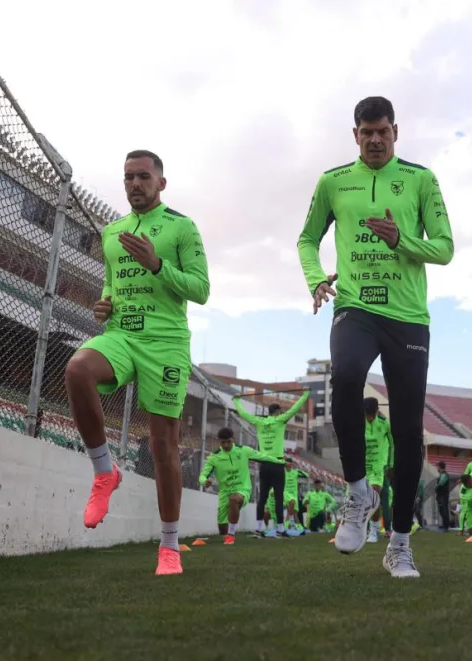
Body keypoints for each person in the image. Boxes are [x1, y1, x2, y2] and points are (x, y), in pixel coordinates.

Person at [296, 96, 454, 578]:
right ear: (355, 135)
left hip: (407, 317)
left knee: (407, 434)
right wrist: (315, 278)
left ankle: (400, 544)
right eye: (367, 132)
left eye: (383, 131)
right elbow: (307, 238)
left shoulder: (421, 180)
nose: (375, 139)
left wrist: (399, 240)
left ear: (396, 131)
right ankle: (358, 494)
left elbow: (445, 248)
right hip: (355, 307)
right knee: (344, 377)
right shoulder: (333, 181)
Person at [64, 150, 210, 576]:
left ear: (161, 183)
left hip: (165, 344)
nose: (134, 184)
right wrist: (103, 305)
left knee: (163, 444)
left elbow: (200, 289)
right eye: (128, 177)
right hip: (122, 336)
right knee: (77, 369)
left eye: (143, 176)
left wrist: (157, 264)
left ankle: (169, 545)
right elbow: (110, 283)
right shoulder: (112, 233)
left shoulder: (181, 227)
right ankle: (104, 471)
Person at [232, 390, 310, 538]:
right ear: (278, 412)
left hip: (264, 464)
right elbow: (295, 408)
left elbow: (243, 414)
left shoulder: (259, 422)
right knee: (279, 497)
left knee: (263, 497)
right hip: (278, 463)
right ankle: (280, 529)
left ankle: (259, 528)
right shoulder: (280, 420)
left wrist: (236, 401)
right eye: (280, 412)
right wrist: (305, 395)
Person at [201, 427, 284, 545]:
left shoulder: (243, 450)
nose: (226, 445)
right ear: (219, 441)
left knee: (234, 499)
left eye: (228, 441)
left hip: (243, 489)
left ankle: (231, 535)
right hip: (224, 492)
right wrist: (205, 481)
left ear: (233, 440)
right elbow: (203, 475)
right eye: (223, 442)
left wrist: (280, 462)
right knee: (222, 528)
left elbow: (263, 456)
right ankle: (227, 536)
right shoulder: (214, 457)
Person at [363, 397, 393, 543]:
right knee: (361, 500)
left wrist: (391, 464)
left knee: (374, 497)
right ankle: (361, 529)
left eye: (371, 414)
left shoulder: (385, 423)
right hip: (362, 467)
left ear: (376, 411)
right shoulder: (357, 423)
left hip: (377, 468)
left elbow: (393, 444)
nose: (369, 417)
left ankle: (373, 531)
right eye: (366, 414)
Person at [282, 457, 309, 535]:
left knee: (295, 513)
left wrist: (299, 470)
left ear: (291, 464)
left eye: (289, 464)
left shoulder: (295, 472)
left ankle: (300, 529)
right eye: (286, 464)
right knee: (292, 502)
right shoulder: (282, 472)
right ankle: (287, 526)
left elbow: (307, 475)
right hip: (286, 493)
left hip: (294, 494)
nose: (288, 465)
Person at [433, 461, 452, 530]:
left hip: (443, 496)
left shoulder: (444, 475)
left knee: (444, 510)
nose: (436, 468)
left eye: (437, 466)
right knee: (441, 510)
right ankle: (444, 524)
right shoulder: (441, 475)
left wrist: (435, 486)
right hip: (440, 495)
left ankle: (446, 526)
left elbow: (441, 483)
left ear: (440, 467)